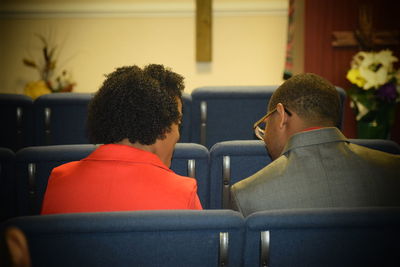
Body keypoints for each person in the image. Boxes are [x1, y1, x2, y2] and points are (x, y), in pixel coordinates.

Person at [230, 73, 400, 217]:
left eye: (265, 125)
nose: (264, 137)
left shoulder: (247, 195)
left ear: (281, 116)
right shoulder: (394, 170)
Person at [41, 64, 202, 214]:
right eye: (178, 122)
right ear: (162, 127)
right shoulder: (183, 192)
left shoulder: (59, 180)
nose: (178, 135)